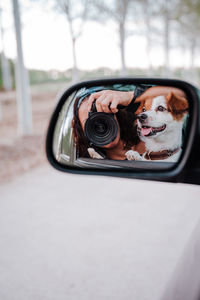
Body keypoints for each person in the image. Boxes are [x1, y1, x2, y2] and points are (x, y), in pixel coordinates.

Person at [72, 87, 146, 160]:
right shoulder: (90, 163)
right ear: (82, 132)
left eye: (104, 115)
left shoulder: (148, 136)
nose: (101, 125)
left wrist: (131, 96)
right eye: (91, 122)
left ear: (116, 113)